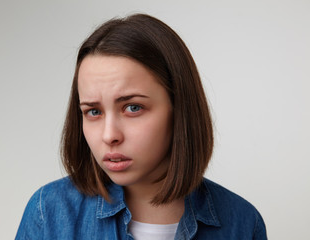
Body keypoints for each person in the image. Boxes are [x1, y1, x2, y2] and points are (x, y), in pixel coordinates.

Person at [15, 14, 267, 239]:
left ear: (180, 108)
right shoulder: (48, 212)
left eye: (133, 107)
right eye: (93, 112)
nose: (109, 135)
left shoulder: (243, 223)